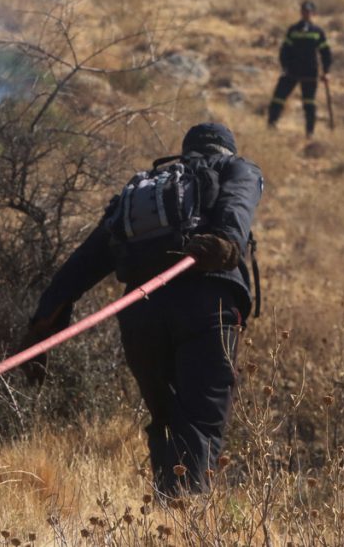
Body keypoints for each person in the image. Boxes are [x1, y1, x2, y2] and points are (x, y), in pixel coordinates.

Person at [22, 122, 263, 497]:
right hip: (208, 305)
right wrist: (227, 244)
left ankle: (167, 515)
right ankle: (186, 525)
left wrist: (43, 324)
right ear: (226, 149)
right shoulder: (235, 168)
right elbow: (237, 208)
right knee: (200, 422)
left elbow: (85, 261)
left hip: (140, 312)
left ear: (186, 150)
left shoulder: (145, 191)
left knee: (166, 419)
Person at [267, 0, 333, 138]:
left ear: (313, 13)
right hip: (291, 72)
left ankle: (310, 132)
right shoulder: (293, 30)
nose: (306, 14)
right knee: (278, 98)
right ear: (301, 12)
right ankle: (271, 126)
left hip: (310, 73)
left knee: (309, 103)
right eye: (304, 11)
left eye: (309, 11)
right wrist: (284, 66)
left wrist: (326, 71)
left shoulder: (317, 32)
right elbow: (284, 50)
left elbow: (325, 52)